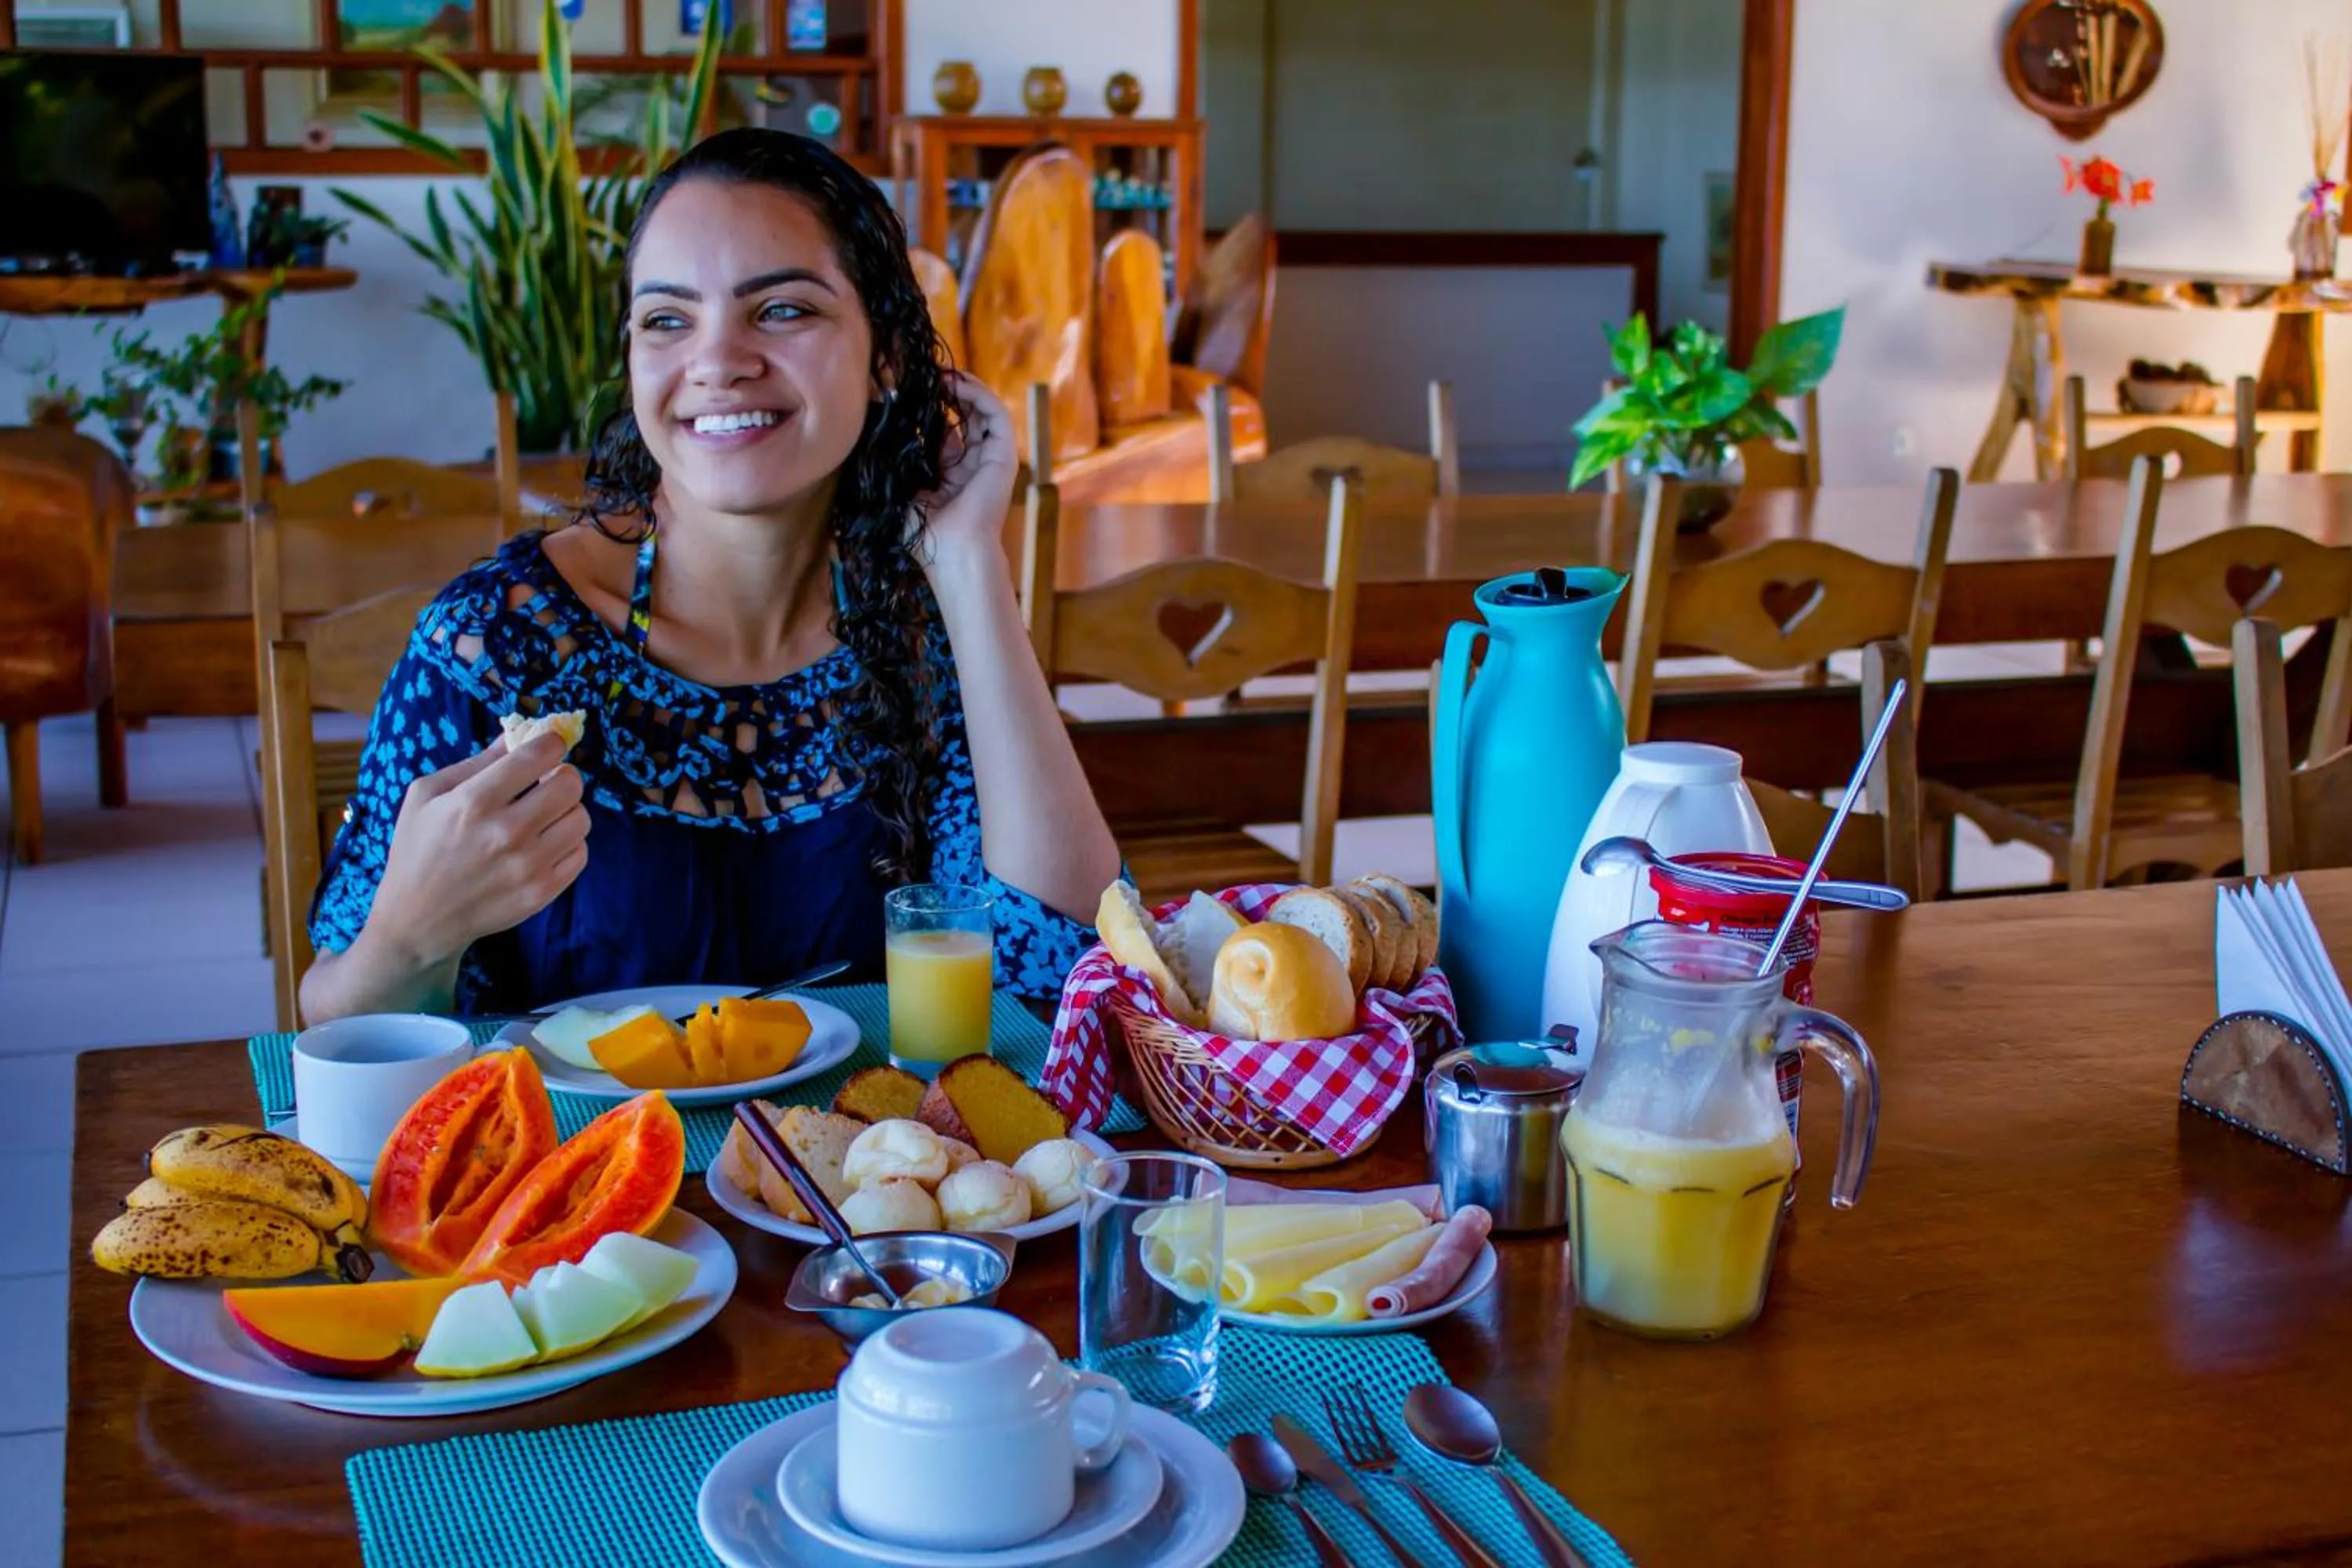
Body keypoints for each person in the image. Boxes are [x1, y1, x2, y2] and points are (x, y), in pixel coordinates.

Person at [299, 129, 1119, 1022]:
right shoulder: (496, 642)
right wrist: (412, 938)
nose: (718, 361)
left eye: (781, 310)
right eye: (667, 318)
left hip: (866, 1157)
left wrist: (968, 560)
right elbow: (339, 1020)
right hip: (582, 1157)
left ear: (884, 356)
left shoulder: (928, 622)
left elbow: (1062, 966)